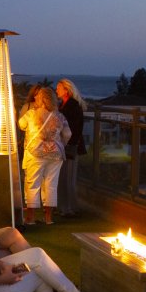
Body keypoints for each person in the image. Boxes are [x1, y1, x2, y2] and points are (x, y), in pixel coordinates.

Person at [18, 84, 70, 225]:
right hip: (56, 154)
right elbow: (68, 134)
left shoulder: (31, 114)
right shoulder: (60, 116)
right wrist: (59, 144)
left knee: (32, 184)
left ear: (39, 99)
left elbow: (21, 124)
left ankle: (30, 218)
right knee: (51, 185)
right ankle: (48, 218)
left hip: (36, 153)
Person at [55, 78, 87, 218]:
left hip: (70, 147)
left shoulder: (73, 106)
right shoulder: (65, 105)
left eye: (59, 88)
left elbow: (76, 129)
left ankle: (68, 208)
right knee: (64, 177)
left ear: (66, 90)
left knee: (67, 177)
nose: (56, 90)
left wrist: (70, 145)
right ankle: (65, 206)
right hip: (67, 146)